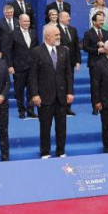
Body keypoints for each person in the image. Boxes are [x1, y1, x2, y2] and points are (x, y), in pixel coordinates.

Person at [29, 24, 74, 158]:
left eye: (59, 34)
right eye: (56, 35)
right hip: (44, 97)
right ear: (47, 36)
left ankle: (61, 150)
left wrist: (70, 92)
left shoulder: (64, 50)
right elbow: (33, 75)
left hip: (61, 96)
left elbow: (68, 74)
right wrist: (35, 94)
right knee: (45, 127)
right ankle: (45, 151)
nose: (59, 37)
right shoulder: (37, 51)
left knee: (61, 126)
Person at [3, 13, 38, 119]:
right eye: (24, 21)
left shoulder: (33, 32)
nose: (27, 23)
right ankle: (21, 110)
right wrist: (10, 65)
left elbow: (37, 49)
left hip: (32, 67)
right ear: (19, 22)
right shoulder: (13, 34)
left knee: (32, 89)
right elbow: (8, 51)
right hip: (18, 67)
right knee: (19, 90)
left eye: (28, 21)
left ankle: (31, 110)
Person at [83, 12, 108, 115]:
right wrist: (97, 50)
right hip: (94, 63)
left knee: (105, 85)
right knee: (95, 86)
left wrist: (106, 47)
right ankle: (95, 106)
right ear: (94, 22)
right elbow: (85, 47)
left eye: (102, 20)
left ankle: (104, 105)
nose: (102, 22)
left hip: (105, 63)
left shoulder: (106, 33)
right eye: (99, 20)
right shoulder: (88, 33)